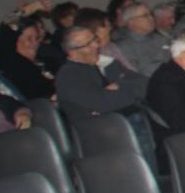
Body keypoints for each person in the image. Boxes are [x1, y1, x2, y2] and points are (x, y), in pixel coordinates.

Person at [54, 25, 159, 168]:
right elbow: (104, 103)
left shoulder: (107, 63)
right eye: (88, 44)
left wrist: (119, 86)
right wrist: (128, 90)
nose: (96, 45)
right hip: (105, 136)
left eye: (95, 40)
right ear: (72, 52)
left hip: (130, 122)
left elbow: (146, 84)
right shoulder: (69, 76)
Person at [113, 2, 170, 78]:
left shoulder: (159, 38)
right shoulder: (122, 46)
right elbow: (137, 74)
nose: (151, 18)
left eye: (151, 14)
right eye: (145, 15)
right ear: (131, 22)